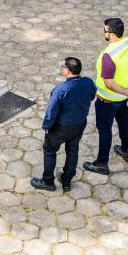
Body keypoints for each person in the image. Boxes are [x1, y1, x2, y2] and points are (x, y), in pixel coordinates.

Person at [83, 18, 128, 176]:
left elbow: (109, 83)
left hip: (107, 101)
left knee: (105, 131)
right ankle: (126, 150)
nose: (103, 33)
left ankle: (102, 163)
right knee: (124, 122)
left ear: (111, 35)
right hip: (124, 100)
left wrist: (126, 91)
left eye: (105, 31)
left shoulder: (108, 55)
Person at [31, 57, 96, 192]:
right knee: (72, 151)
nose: (63, 69)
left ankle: (48, 181)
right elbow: (92, 96)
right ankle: (66, 181)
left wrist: (47, 127)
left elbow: (52, 111)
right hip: (79, 124)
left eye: (64, 67)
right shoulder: (88, 82)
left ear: (68, 71)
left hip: (61, 127)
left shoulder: (61, 89)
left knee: (49, 151)